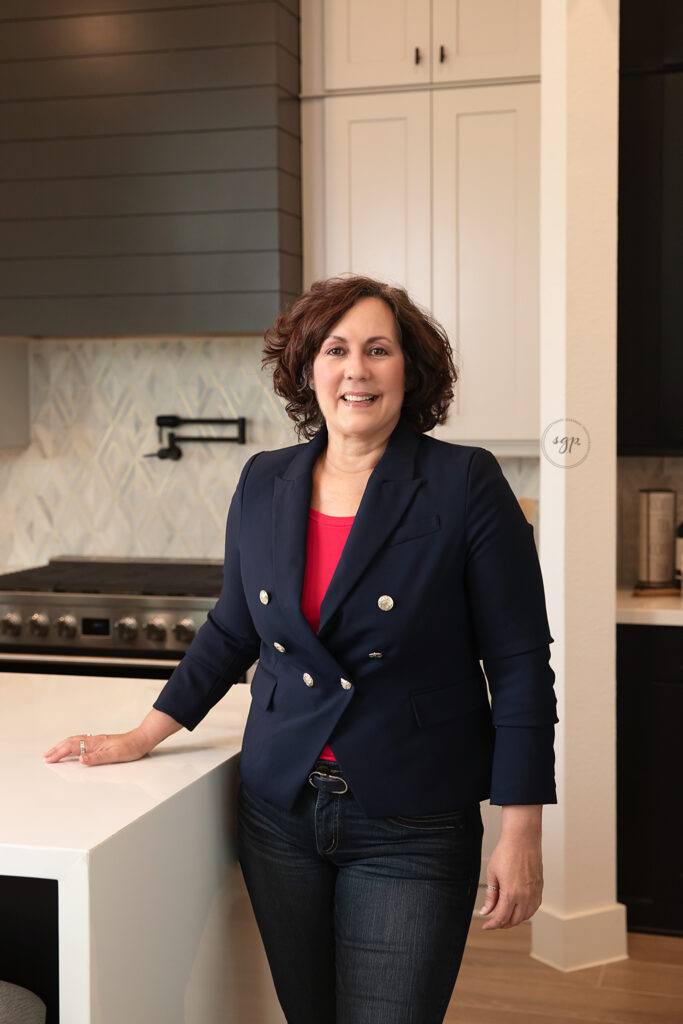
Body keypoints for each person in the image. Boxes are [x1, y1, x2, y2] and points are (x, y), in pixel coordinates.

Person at [45, 276, 557, 1024]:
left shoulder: (462, 482)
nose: (356, 369)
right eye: (335, 349)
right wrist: (143, 733)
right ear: (306, 368)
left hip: (413, 818)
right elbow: (230, 631)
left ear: (407, 370)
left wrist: (521, 830)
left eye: (378, 350)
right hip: (280, 811)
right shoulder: (264, 481)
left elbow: (517, 665)